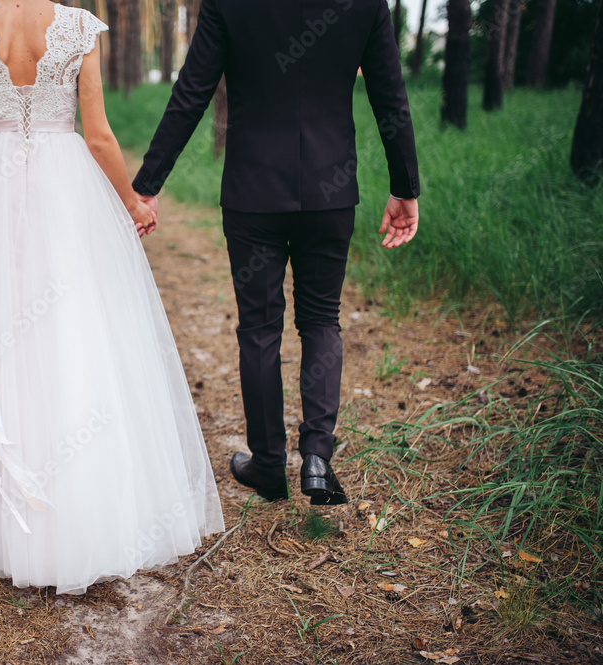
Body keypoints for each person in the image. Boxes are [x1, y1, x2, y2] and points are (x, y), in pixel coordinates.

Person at [0, 0, 224, 595]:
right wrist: (134, 201)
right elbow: (99, 134)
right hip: (65, 181)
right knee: (72, 324)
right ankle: (73, 507)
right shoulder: (79, 26)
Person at [131, 0, 421, 505]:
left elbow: (192, 92)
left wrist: (148, 184)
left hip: (252, 193)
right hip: (331, 194)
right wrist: (405, 186)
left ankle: (267, 464)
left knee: (260, 327)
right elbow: (389, 97)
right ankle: (316, 458)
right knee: (321, 320)